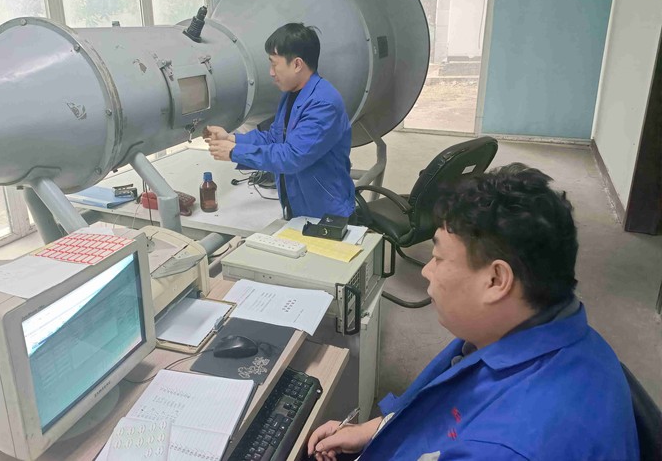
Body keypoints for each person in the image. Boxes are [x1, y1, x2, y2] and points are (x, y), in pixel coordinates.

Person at [308, 163, 639, 461]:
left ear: (496, 280)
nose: (426, 271)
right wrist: (374, 430)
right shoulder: (529, 327)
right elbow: (438, 405)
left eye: (439, 258)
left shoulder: (505, 448)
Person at [205, 23, 355, 219]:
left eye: (274, 64)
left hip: (326, 213)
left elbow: (292, 156)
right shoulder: (292, 95)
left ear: (297, 64)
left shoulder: (323, 104)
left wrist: (235, 152)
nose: (271, 72)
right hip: (298, 207)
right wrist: (232, 139)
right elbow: (274, 138)